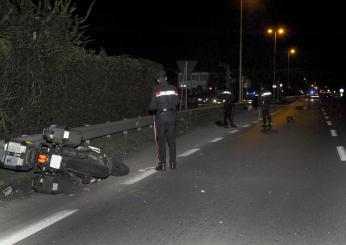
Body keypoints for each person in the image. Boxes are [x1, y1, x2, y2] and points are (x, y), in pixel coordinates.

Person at [149, 71, 179, 171]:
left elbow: (152, 107)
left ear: (158, 80)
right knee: (171, 141)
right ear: (166, 78)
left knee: (161, 141)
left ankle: (162, 165)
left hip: (161, 118)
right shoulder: (173, 88)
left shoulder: (156, 90)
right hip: (172, 116)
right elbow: (177, 102)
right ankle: (173, 163)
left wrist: (156, 107)